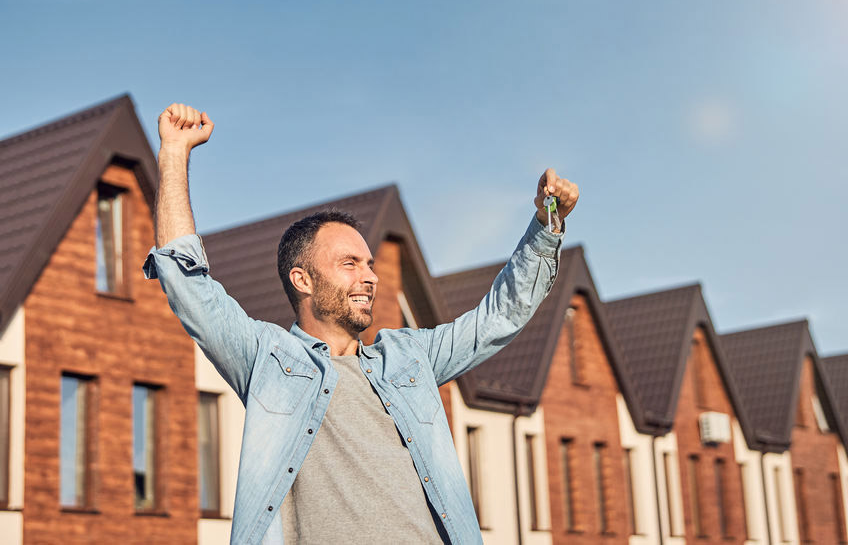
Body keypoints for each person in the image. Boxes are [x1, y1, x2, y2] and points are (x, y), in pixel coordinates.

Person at [144, 103, 579, 545]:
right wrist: (175, 153)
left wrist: (546, 225)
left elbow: (498, 317)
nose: (369, 277)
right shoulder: (266, 360)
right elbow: (186, 282)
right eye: (349, 264)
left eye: (369, 264)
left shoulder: (409, 358)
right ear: (303, 279)